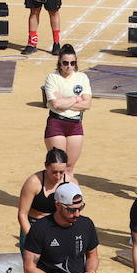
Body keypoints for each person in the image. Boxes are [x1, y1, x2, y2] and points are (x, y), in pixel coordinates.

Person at [16, 147, 70, 273]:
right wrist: (34, 240)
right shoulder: (33, 182)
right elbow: (22, 214)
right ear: (45, 167)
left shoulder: (69, 183)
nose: (57, 176)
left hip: (58, 232)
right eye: (53, 171)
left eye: (61, 172)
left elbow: (75, 212)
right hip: (33, 229)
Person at [42, 45, 90, 176]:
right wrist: (76, 99)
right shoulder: (52, 78)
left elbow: (87, 104)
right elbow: (56, 104)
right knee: (57, 167)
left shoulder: (82, 78)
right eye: (65, 63)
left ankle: (65, 196)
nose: (69, 66)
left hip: (75, 125)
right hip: (57, 123)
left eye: (72, 63)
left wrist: (65, 101)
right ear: (60, 63)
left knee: (69, 168)